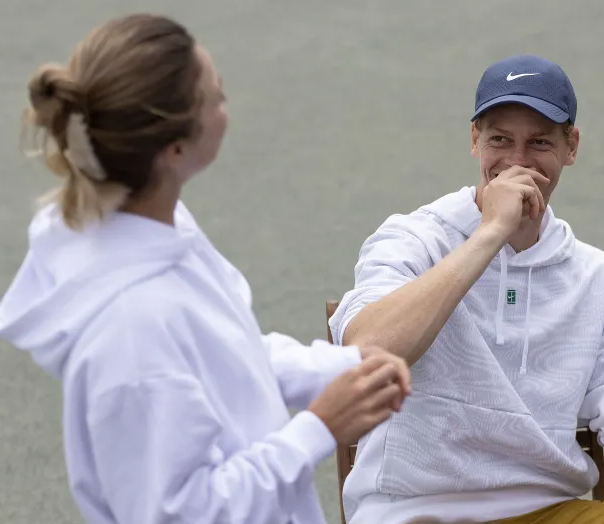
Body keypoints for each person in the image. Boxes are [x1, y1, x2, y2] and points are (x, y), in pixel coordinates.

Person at [328, 55, 604, 524]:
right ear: (474, 140)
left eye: (539, 142)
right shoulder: (412, 239)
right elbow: (366, 349)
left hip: (554, 514)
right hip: (413, 513)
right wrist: (489, 235)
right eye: (500, 139)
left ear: (571, 146)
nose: (517, 161)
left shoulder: (598, 280)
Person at [0, 13, 410, 524]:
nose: (226, 106)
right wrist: (320, 427)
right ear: (174, 148)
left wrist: (337, 368)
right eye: (217, 96)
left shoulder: (154, 229)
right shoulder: (130, 329)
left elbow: (224, 358)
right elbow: (183, 512)